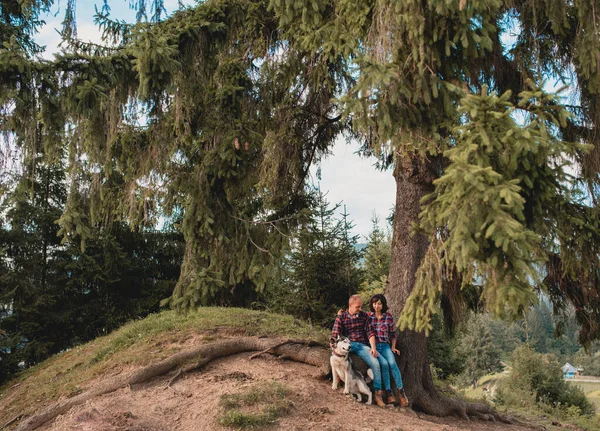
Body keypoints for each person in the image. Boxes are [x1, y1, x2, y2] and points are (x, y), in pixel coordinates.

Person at [331, 294, 386, 407]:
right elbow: (335, 334)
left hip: (361, 346)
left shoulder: (364, 316)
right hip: (348, 345)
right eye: (357, 307)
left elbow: (370, 333)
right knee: (338, 360)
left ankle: (377, 393)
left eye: (361, 306)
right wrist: (333, 346)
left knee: (375, 363)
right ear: (350, 305)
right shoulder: (341, 317)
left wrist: (373, 348)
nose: (360, 309)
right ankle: (337, 381)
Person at [368, 293, 409, 407]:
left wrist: (393, 347)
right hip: (374, 346)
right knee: (384, 364)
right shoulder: (368, 316)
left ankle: (401, 392)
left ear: (383, 304)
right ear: (372, 304)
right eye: (375, 303)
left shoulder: (388, 316)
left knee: (392, 363)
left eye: (379, 304)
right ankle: (389, 392)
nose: (377, 306)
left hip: (385, 346)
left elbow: (393, 334)